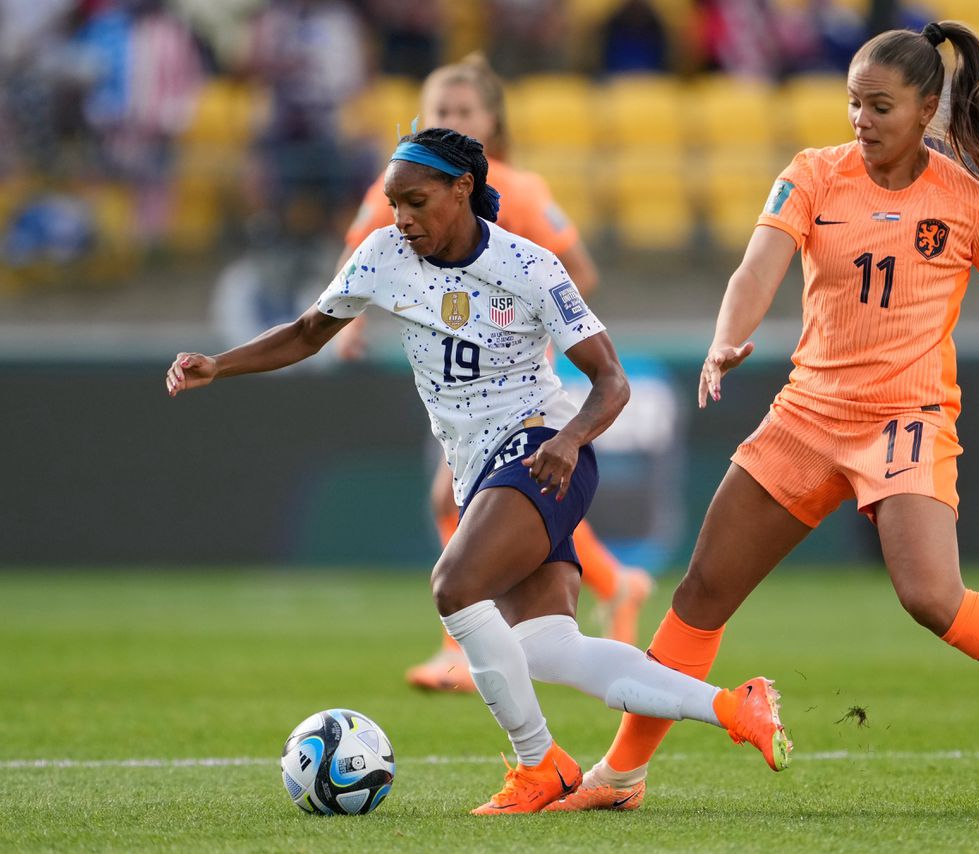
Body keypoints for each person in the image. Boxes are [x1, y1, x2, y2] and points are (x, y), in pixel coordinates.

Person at [548, 21, 979, 816]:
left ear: (928, 108)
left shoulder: (970, 201)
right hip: (808, 413)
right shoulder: (812, 174)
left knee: (932, 597)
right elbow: (757, 264)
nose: (861, 120)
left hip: (907, 416)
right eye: (853, 103)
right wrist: (727, 337)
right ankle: (621, 777)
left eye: (880, 106)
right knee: (702, 592)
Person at [165, 128, 791, 814]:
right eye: (393, 203)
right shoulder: (383, 255)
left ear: (462, 189)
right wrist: (219, 364)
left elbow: (612, 382)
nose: (402, 217)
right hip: (480, 470)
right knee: (550, 649)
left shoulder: (531, 267)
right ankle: (736, 707)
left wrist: (572, 439)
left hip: (541, 451)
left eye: (416, 201)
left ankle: (540, 766)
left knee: (455, 587)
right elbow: (310, 331)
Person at [334, 54, 653, 694]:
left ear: (491, 126)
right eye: (440, 112)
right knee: (494, 504)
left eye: (463, 113)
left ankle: (463, 640)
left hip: (513, 383)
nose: (451, 121)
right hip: (450, 382)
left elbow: (577, 273)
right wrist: (354, 323)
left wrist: (515, 316)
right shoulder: (398, 187)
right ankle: (615, 584)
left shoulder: (522, 191)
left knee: (465, 503)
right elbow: (358, 254)